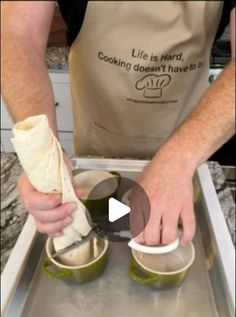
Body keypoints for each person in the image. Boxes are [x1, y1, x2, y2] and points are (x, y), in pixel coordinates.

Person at [2, 1, 235, 246]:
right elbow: (17, 32)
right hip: (99, 150)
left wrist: (179, 159)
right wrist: (43, 158)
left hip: (191, 148)